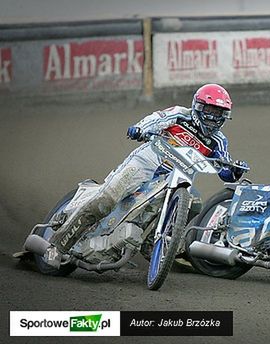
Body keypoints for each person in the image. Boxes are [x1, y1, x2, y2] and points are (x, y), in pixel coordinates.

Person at [50, 84, 248, 253]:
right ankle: (57, 245)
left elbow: (224, 169)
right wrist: (140, 129)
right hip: (145, 164)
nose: (214, 117)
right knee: (107, 200)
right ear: (198, 106)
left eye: (219, 113)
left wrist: (234, 171)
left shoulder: (218, 141)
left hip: (174, 183)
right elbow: (155, 119)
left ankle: (152, 245)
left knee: (190, 203)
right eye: (210, 111)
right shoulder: (179, 114)